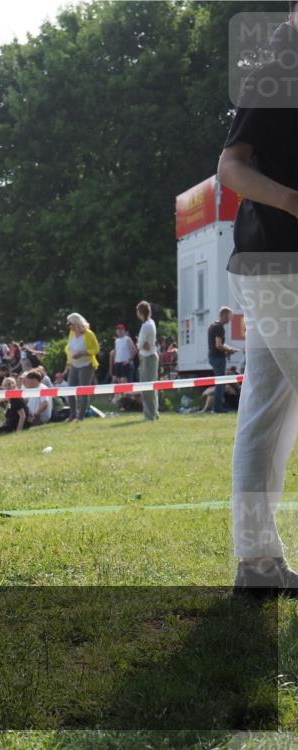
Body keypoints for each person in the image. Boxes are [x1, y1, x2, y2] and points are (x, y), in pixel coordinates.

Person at [216, 4, 298, 591]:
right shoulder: (276, 75)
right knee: (268, 413)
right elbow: (229, 169)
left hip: (269, 267)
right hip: (278, 267)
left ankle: (258, 563)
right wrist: (293, 201)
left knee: (266, 413)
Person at [64, 313, 100, 422]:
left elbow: (96, 349)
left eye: (70, 323)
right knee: (70, 389)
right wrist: (69, 362)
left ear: (76, 323)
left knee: (83, 391)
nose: (69, 326)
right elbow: (68, 349)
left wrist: (83, 353)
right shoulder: (71, 334)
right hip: (74, 365)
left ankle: (80, 417)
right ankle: (72, 415)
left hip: (86, 365)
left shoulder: (89, 334)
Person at [207, 306, 240, 414]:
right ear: (224, 315)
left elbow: (219, 344)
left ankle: (217, 407)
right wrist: (229, 350)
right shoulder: (219, 328)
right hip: (218, 358)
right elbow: (219, 345)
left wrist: (229, 349)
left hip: (213, 357)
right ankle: (217, 408)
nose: (230, 319)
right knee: (220, 384)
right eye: (229, 316)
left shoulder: (213, 325)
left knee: (219, 383)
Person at [135, 302, 160, 421]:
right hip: (149, 356)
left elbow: (141, 344)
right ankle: (155, 412)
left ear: (141, 312)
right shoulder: (151, 323)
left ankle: (150, 415)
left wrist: (140, 344)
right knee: (152, 387)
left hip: (148, 357)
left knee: (147, 388)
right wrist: (142, 344)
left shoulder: (146, 326)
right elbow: (143, 344)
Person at [109, 323, 137, 388]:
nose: (119, 331)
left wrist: (129, 360)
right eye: (118, 330)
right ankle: (121, 397)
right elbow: (116, 351)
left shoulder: (127, 339)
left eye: (121, 329)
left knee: (124, 382)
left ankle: (127, 397)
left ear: (124, 330)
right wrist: (115, 362)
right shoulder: (116, 340)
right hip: (118, 363)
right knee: (118, 382)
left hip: (125, 363)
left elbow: (134, 350)